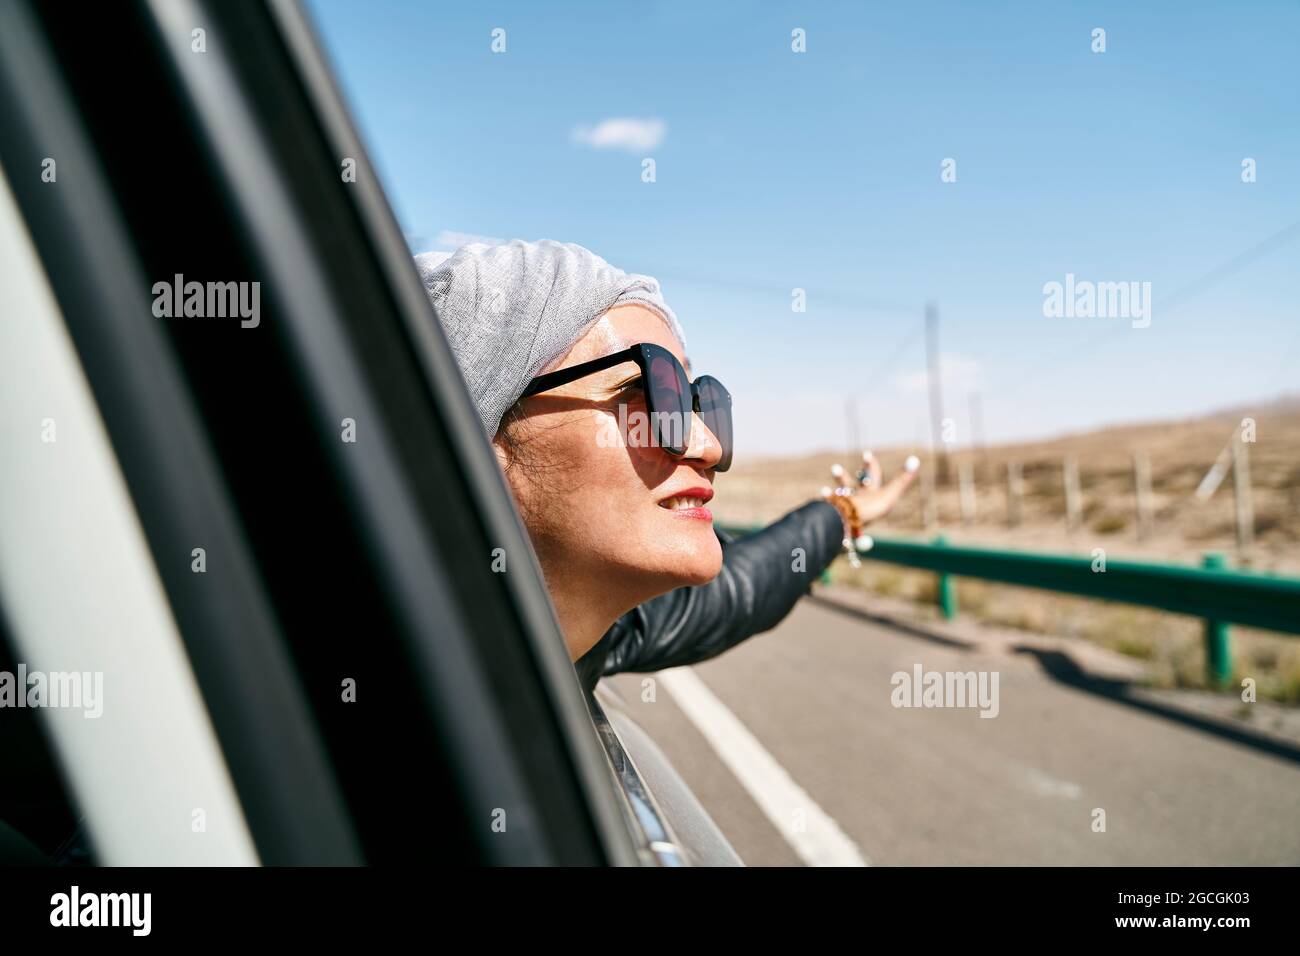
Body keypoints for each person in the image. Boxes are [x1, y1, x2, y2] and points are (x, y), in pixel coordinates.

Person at [416, 239, 917, 695]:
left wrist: (842, 512)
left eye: (699, 402)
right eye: (651, 398)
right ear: (478, 439)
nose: (708, 447)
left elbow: (737, 593)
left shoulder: (588, 641)